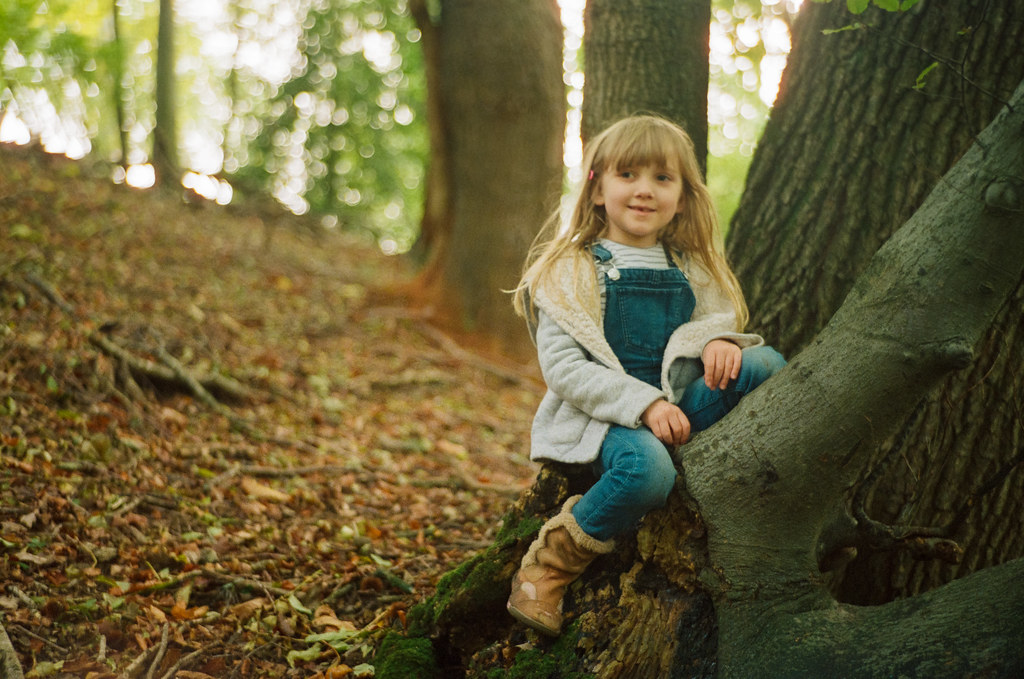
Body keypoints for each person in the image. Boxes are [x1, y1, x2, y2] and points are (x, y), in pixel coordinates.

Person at [506, 115, 786, 637]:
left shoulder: (690, 265)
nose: (644, 190)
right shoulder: (569, 270)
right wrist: (644, 406)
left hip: (683, 407)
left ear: (682, 198)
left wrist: (720, 343)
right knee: (649, 473)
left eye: (663, 178)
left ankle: (755, 488)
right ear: (596, 188)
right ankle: (550, 565)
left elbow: (716, 321)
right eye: (628, 174)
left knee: (766, 364)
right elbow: (566, 371)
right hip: (608, 420)